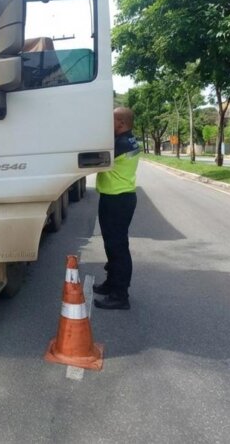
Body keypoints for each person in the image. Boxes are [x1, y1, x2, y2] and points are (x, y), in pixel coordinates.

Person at [93, 107, 141, 310]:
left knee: (117, 248)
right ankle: (111, 284)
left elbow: (94, 159)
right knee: (113, 245)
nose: (107, 125)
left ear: (121, 123)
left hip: (117, 199)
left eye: (110, 121)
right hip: (120, 197)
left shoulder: (119, 144)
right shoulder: (129, 140)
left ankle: (120, 295)